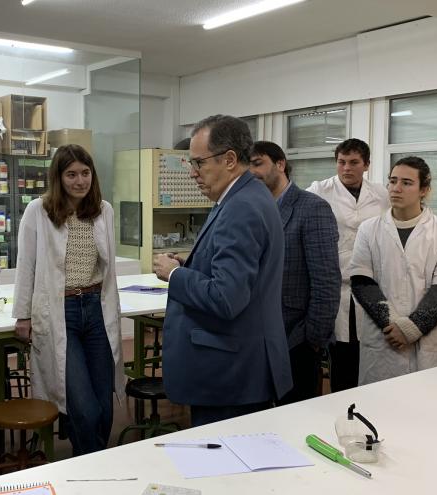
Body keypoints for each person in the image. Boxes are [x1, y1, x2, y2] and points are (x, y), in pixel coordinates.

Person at [153, 115, 292, 426]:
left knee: (223, 467)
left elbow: (226, 297)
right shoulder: (246, 197)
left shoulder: (240, 207)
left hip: (230, 375)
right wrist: (188, 266)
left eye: (199, 163)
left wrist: (174, 275)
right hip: (239, 366)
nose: (192, 174)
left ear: (230, 160)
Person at [13, 144, 124, 455]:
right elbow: (27, 265)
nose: (80, 181)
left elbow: (108, 268)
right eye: (71, 174)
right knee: (82, 403)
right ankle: (94, 469)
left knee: (103, 402)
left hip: (96, 309)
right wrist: (23, 315)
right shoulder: (39, 210)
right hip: (60, 312)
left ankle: (89, 465)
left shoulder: (104, 210)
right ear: (58, 178)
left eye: (85, 173)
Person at [349, 156, 437, 385]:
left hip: (425, 341)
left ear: (424, 189)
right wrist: (393, 325)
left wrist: (411, 328)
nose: (396, 188)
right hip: (383, 338)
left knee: (423, 410)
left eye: (407, 183)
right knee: (377, 410)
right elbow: (362, 281)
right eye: (393, 181)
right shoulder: (369, 230)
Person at [248, 141, 340, 403]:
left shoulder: (312, 208)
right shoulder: (253, 209)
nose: (252, 172)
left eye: (258, 163)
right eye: (249, 166)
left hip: (295, 339)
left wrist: (312, 339)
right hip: (257, 336)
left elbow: (326, 281)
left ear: (280, 164)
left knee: (295, 419)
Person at [307, 138, 388, 391]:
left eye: (354, 163)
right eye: (341, 162)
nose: (346, 168)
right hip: (335, 286)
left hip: (370, 286)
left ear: (367, 165)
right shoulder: (319, 191)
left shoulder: (381, 195)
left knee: (371, 353)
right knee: (340, 357)